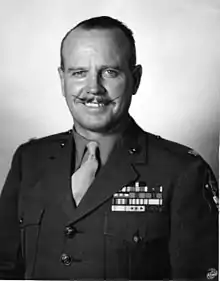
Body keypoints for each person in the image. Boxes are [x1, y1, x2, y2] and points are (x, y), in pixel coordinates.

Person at [0, 16, 218, 280]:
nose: (93, 88)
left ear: (135, 79)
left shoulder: (183, 171)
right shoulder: (29, 160)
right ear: (62, 79)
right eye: (79, 73)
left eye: (110, 72)